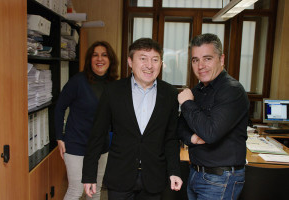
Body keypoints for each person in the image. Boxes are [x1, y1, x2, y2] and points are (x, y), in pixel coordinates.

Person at [82, 38, 183, 200]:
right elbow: (97, 134)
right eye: (143, 58)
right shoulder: (113, 91)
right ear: (130, 61)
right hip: (120, 175)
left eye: (155, 59)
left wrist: (174, 171)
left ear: (160, 63)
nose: (149, 65)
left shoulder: (170, 94)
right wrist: (89, 175)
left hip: (154, 177)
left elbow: (171, 138)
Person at [177, 33, 249, 200]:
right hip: (196, 173)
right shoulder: (198, 90)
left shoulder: (232, 90)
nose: (200, 65)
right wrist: (193, 138)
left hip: (220, 179)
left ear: (221, 59)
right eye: (195, 60)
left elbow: (210, 133)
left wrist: (187, 103)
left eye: (207, 58)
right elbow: (180, 126)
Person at [55, 41, 119, 200]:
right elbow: (59, 108)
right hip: (77, 144)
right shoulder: (78, 81)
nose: (100, 59)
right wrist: (59, 137)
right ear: (89, 59)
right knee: (76, 190)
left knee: (95, 191)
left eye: (104, 55)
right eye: (95, 55)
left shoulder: (113, 85)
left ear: (110, 59)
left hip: (101, 146)